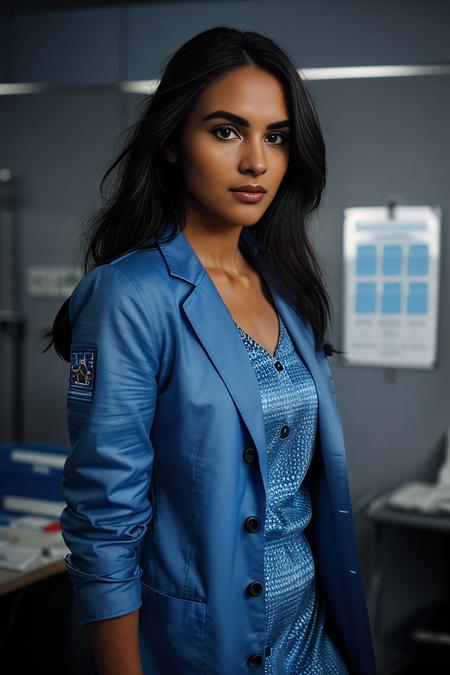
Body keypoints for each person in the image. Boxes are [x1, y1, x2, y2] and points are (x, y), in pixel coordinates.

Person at [45, 26, 377, 675]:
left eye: (275, 136)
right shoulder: (130, 294)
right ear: (172, 142)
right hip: (209, 645)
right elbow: (103, 521)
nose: (256, 161)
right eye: (226, 131)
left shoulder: (288, 287)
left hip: (313, 637)